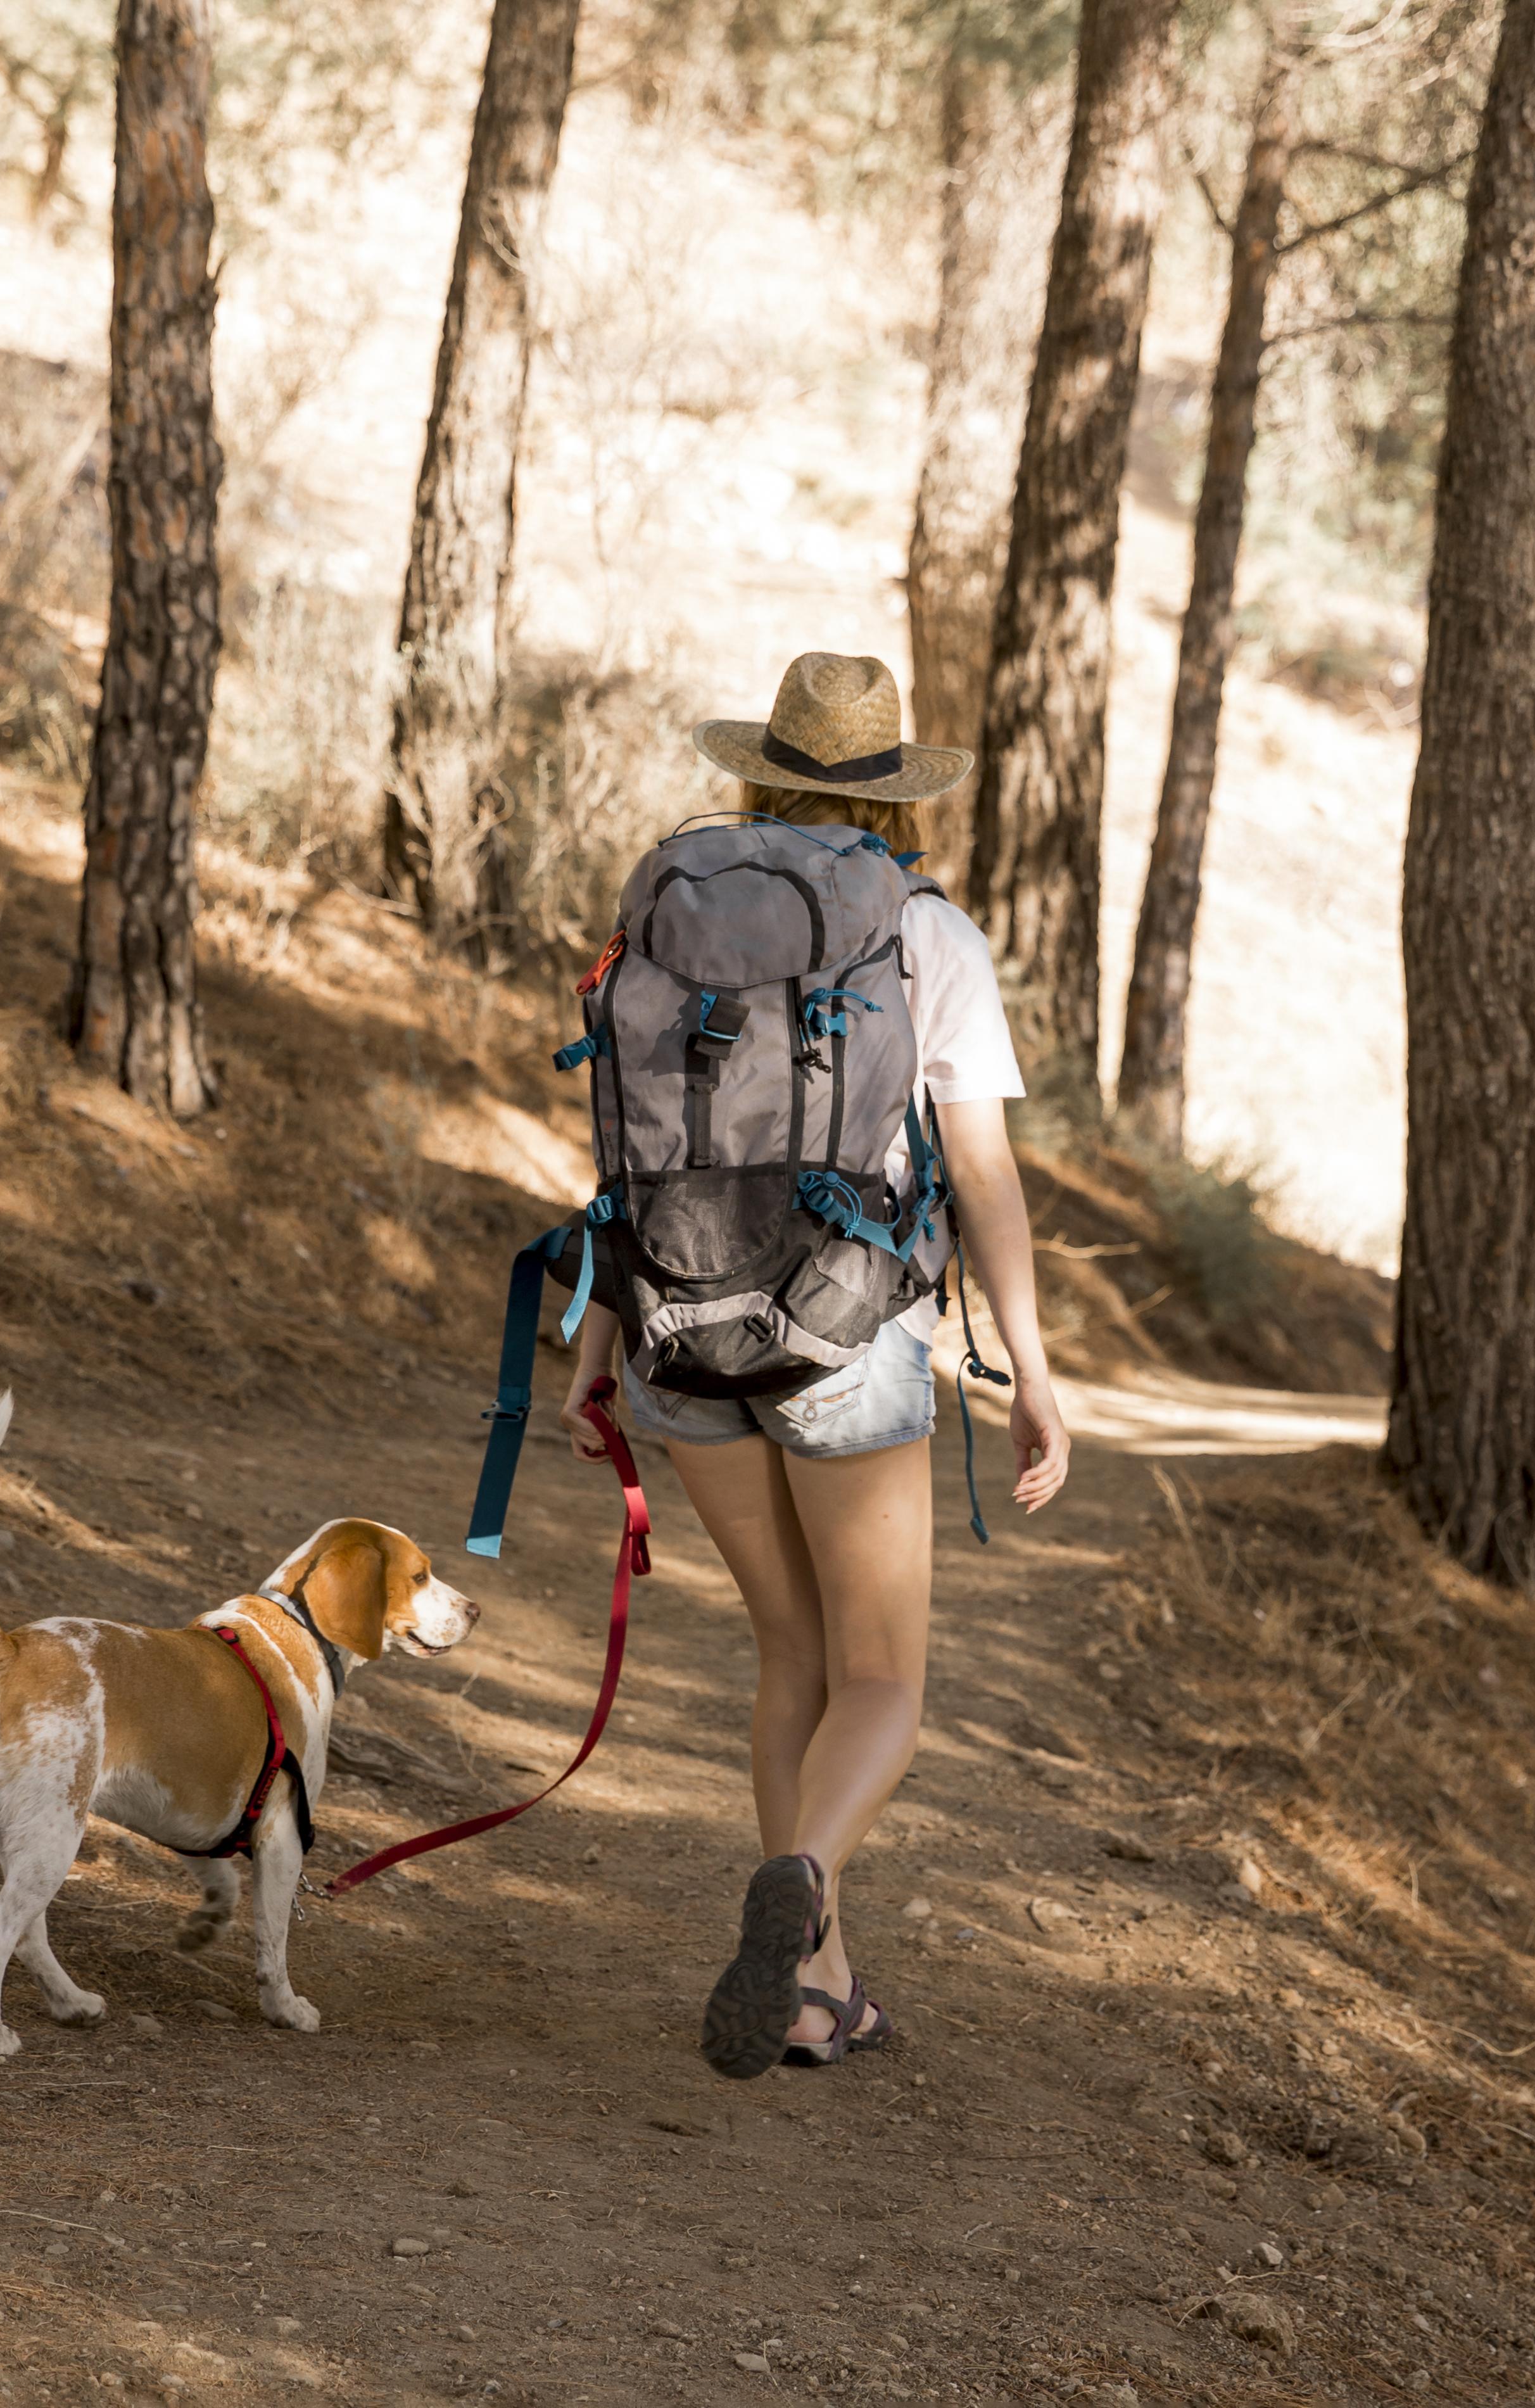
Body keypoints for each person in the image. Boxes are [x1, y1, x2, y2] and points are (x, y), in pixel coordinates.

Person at [559, 652, 1070, 2077]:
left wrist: (595, 1333)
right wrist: (1029, 1370)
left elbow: (622, 1148)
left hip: (679, 1327)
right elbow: (985, 1183)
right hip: (848, 1338)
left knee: (788, 1653)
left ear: (757, 770)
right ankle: (808, 1883)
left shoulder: (669, 909)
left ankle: (809, 1990)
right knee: (882, 1680)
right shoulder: (926, 936)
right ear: (895, 787)